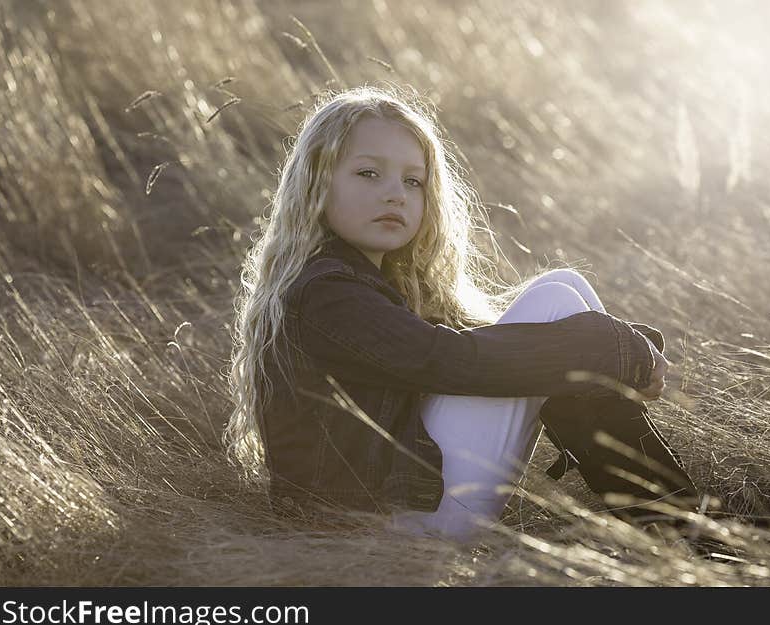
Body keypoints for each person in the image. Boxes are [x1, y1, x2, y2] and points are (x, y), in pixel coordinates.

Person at [224, 84, 700, 544]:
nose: (396, 194)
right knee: (558, 304)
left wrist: (615, 346)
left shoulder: (361, 281)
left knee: (562, 290)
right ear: (316, 182)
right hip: (374, 528)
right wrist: (608, 347)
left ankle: (676, 525)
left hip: (398, 507)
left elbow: (466, 349)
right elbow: (450, 361)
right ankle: (683, 527)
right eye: (368, 174)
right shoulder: (328, 292)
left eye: (413, 181)